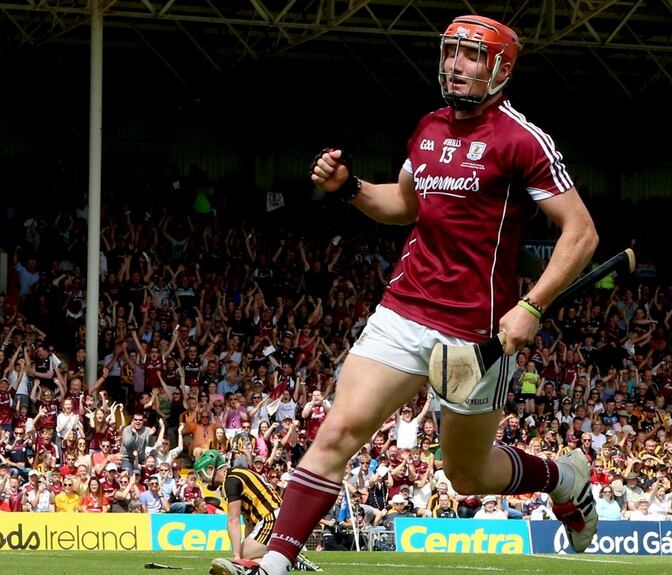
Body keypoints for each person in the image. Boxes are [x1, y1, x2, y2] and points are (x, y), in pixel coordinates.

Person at [210, 15, 599, 575]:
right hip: (404, 309)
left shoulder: (521, 140)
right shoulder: (428, 128)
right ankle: (274, 562)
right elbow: (404, 205)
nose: (454, 65)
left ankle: (562, 478)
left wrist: (532, 305)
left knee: (468, 474)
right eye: (449, 53)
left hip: (475, 332)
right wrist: (349, 189)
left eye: (470, 56)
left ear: (500, 68)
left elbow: (581, 233)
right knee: (338, 429)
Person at [195, 451, 321, 573]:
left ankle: (288, 557)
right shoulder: (236, 473)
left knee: (242, 558)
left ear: (211, 468)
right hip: (278, 516)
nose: (203, 479)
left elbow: (233, 520)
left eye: (202, 474)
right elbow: (248, 521)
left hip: (271, 518)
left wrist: (237, 557)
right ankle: (283, 555)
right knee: (251, 561)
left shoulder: (230, 480)